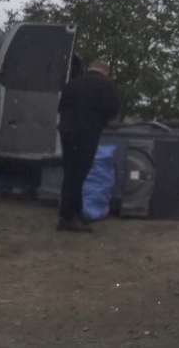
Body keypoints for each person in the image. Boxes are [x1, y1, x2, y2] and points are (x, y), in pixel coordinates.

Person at [57, 60, 120, 232]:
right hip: (87, 134)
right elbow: (112, 110)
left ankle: (75, 213)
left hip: (67, 133)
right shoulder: (106, 85)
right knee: (78, 176)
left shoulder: (73, 83)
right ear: (105, 72)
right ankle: (68, 218)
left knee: (70, 174)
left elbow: (61, 107)